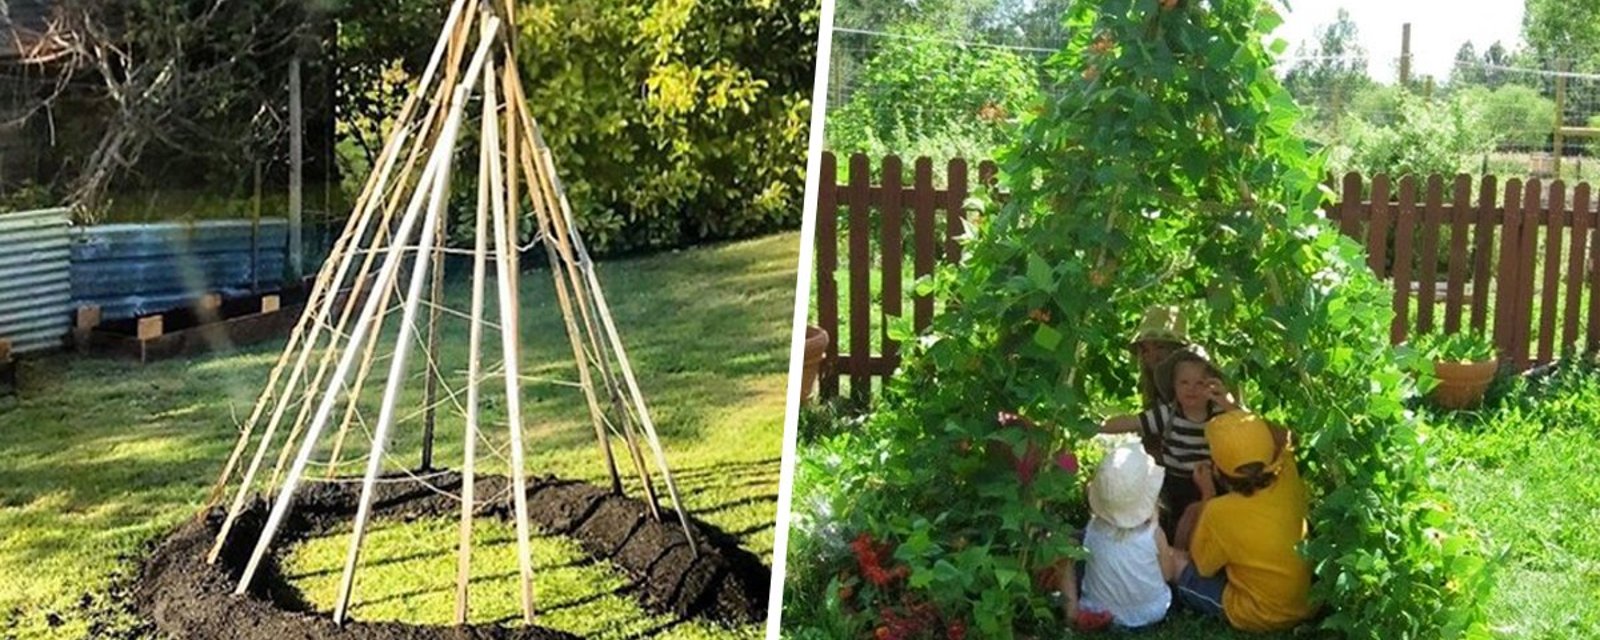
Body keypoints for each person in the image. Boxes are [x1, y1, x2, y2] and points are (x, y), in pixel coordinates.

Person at [1171, 410, 1314, 632]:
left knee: (1177, 562)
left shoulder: (1218, 511)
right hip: (1309, 602)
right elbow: (1284, 436)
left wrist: (1207, 495)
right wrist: (1233, 406)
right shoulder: (1288, 472)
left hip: (1261, 614)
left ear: (1216, 469)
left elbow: (1203, 567)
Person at [1100, 346, 1238, 538]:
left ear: (1211, 386)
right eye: (1184, 382)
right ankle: (1174, 552)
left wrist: (1228, 403)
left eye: (1200, 383)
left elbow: (1246, 424)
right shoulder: (1169, 413)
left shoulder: (1219, 414)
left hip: (1212, 481)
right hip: (1176, 482)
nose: (1192, 389)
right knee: (1173, 522)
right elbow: (1134, 422)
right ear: (1174, 386)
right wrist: (1096, 427)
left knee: (1215, 522)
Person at [1058, 441, 1180, 632]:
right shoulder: (1153, 534)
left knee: (1067, 550)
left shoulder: (1092, 528)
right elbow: (1167, 574)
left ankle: (1071, 612)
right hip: (1150, 613)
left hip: (1098, 609)